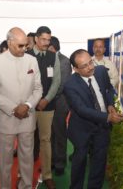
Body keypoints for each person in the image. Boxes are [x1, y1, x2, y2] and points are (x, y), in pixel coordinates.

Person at [0, 27, 42, 189]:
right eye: (20, 46)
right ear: (9, 43)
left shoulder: (31, 60)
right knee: (5, 160)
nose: (24, 49)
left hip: (28, 117)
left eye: (26, 45)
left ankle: (25, 186)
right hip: (5, 118)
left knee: (27, 158)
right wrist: (13, 108)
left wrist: (27, 105)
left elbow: (38, 88)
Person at [64, 49, 123, 189]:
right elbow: (81, 109)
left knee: (99, 163)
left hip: (102, 127)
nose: (90, 67)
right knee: (80, 163)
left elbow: (108, 89)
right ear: (75, 69)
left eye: (90, 62)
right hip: (81, 129)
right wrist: (108, 117)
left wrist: (109, 104)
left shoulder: (101, 71)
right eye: (84, 66)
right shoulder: (70, 85)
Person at [27, 26, 60, 189]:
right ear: (36, 39)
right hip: (28, 107)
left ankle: (47, 175)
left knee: (45, 140)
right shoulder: (25, 55)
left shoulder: (53, 57)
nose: (47, 43)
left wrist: (46, 99)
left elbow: (56, 81)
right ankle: (23, 174)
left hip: (47, 106)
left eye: (49, 39)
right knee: (26, 140)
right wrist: (32, 102)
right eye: (44, 39)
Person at [48, 36, 72, 176]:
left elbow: (62, 84)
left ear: (53, 47)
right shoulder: (48, 59)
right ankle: (50, 161)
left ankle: (60, 163)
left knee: (59, 133)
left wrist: (48, 97)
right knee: (48, 134)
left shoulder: (64, 61)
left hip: (60, 102)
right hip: (48, 102)